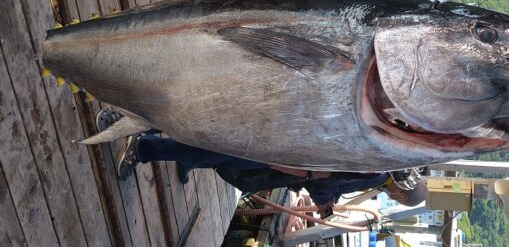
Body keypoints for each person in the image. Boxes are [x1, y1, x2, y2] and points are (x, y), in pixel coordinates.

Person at [97, 109, 428, 213]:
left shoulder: (379, 168)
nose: (397, 198)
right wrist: (324, 201)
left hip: (285, 149)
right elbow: (326, 179)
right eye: (402, 197)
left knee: (212, 136)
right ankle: (141, 144)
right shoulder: (376, 171)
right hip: (280, 154)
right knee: (210, 144)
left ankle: (144, 130)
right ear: (401, 192)